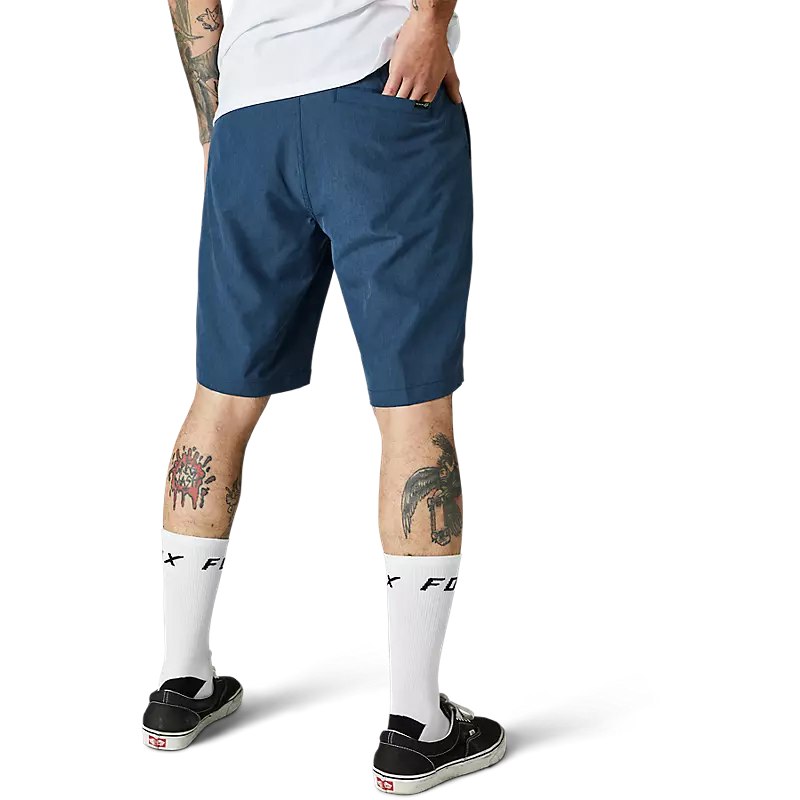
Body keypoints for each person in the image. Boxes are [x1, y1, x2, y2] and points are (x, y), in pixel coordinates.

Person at [141, 1, 506, 792]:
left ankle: (181, 685)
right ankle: (416, 726)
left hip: (250, 117)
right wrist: (428, 23)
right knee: (414, 410)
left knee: (218, 400)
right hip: (382, 93)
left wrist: (215, 118)